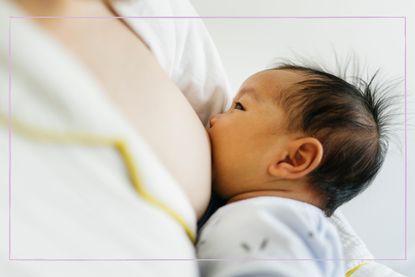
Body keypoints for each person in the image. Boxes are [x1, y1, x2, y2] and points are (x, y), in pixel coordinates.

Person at [197, 64, 393, 277]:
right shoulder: (293, 228)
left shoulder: (269, 220)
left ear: (294, 158)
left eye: (239, 106)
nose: (214, 118)